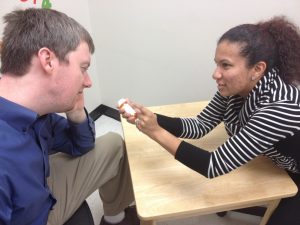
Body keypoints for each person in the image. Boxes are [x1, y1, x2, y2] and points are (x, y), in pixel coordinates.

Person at [120, 16, 300, 225]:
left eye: (226, 65)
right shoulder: (235, 88)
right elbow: (200, 126)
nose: (216, 74)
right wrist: (152, 118)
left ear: (257, 69)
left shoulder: (279, 108)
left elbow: (212, 165)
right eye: (217, 64)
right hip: (276, 161)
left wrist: (155, 131)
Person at [0, 8, 139, 225]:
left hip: (40, 186)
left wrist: (75, 112)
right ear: (48, 60)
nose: (88, 82)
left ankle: (115, 218)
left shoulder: (37, 113)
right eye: (83, 68)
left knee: (113, 144)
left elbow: (82, 146)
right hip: (31, 216)